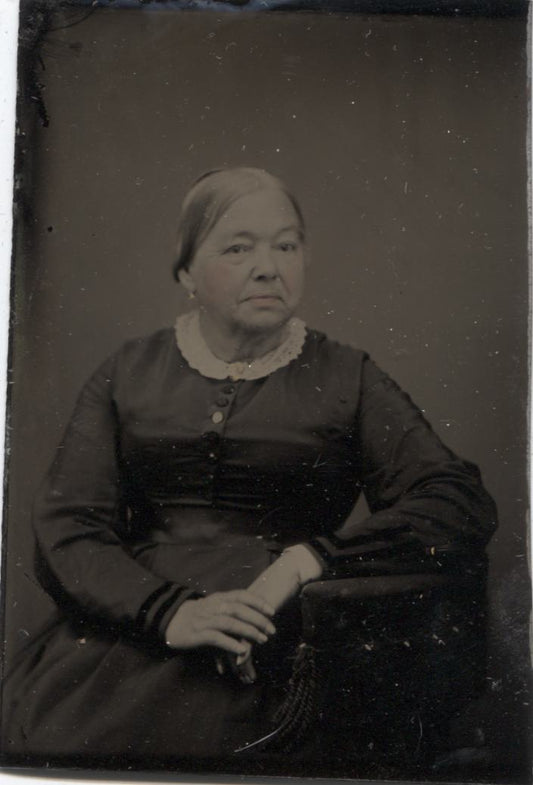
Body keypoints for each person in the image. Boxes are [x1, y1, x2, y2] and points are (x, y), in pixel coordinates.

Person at [2, 167, 497, 766]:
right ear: (187, 273)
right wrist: (170, 613)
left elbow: (455, 500)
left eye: (285, 246)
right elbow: (66, 526)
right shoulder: (129, 371)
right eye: (238, 247)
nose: (269, 267)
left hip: (283, 634)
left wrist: (306, 561)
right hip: (131, 634)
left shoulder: (347, 376)